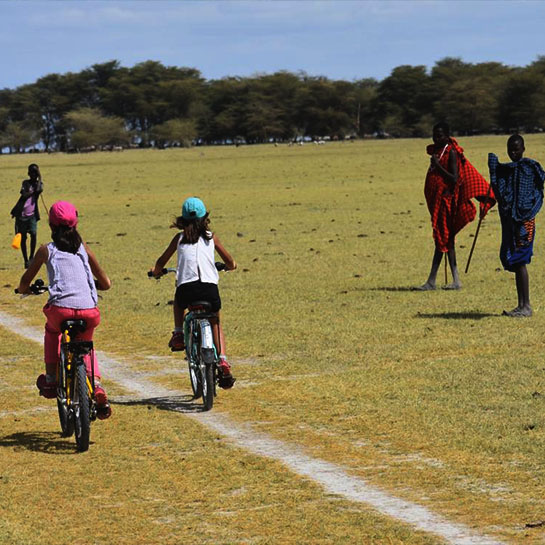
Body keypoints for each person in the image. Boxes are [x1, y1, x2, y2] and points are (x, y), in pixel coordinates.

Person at [16, 200, 112, 419]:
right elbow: (106, 283)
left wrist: (26, 289)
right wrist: (88, 286)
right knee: (85, 346)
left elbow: (24, 282)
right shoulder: (84, 249)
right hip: (89, 311)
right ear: (75, 223)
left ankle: (51, 379)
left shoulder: (46, 250)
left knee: (52, 333)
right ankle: (96, 384)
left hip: (60, 310)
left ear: (51, 226)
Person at [151, 197, 237, 389]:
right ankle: (222, 359)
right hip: (209, 289)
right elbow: (230, 261)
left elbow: (160, 262)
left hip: (186, 289)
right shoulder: (211, 237)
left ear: (182, 219)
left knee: (178, 300)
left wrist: (157, 272)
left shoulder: (179, 238)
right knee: (216, 321)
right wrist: (231, 266)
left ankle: (179, 333)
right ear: (204, 217)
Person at [418, 122, 495, 290]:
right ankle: (450, 280)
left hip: (447, 202)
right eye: (434, 135)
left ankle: (435, 281)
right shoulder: (439, 152)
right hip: (438, 202)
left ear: (447, 136)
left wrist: (437, 166)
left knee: (443, 238)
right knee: (446, 239)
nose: (436, 138)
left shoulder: (451, 153)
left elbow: (454, 178)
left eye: (440, 135)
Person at [489, 134, 545, 317]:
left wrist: (526, 209)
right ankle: (521, 305)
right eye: (510, 149)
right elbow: (501, 193)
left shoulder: (530, 169)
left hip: (525, 223)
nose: (513, 152)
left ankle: (526, 306)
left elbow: (537, 188)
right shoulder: (507, 171)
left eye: (517, 149)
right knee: (516, 260)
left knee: (520, 261)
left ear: (523, 149)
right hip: (513, 223)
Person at [10, 164, 43, 268]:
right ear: (29, 173)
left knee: (33, 234)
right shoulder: (25, 183)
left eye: (35, 173)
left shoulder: (38, 184)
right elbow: (24, 195)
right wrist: (31, 191)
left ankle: (31, 257)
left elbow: (38, 190)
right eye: (31, 173)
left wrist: (39, 177)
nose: (33, 175)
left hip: (32, 215)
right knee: (23, 238)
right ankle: (25, 260)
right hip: (21, 215)